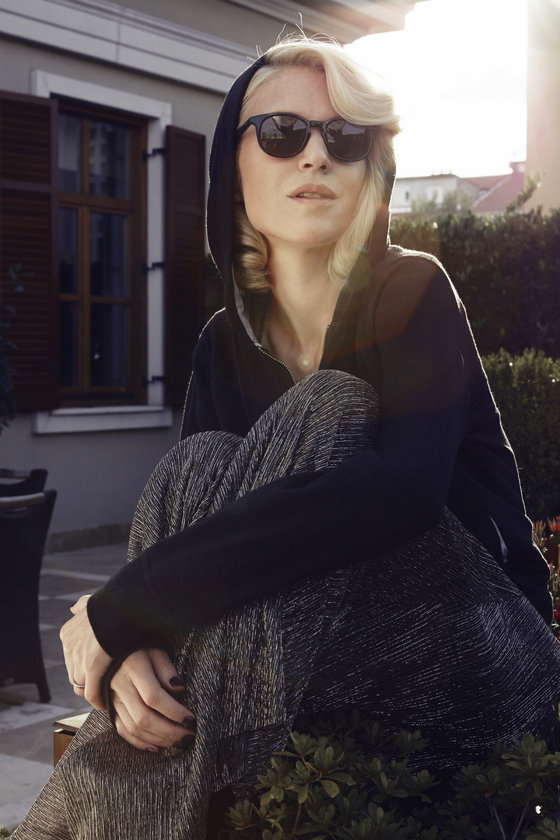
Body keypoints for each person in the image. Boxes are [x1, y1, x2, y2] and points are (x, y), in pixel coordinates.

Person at [13, 37, 560, 840]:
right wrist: (131, 649)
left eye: (346, 139)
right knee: (198, 468)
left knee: (328, 409)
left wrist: (125, 604)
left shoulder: (413, 290)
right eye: (283, 133)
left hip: (481, 656)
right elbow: (200, 521)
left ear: (372, 168)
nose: (316, 156)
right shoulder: (222, 344)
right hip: (323, 665)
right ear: (231, 167)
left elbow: (396, 496)